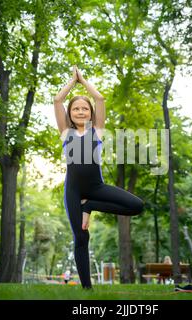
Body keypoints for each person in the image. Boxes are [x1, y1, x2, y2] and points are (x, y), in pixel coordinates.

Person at [54, 66, 145, 289]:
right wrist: (71, 81)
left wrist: (83, 80)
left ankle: (90, 206)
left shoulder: (97, 131)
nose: (81, 111)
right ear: (70, 113)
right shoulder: (66, 132)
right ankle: (87, 288)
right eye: (76, 109)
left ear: (91, 113)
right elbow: (57, 101)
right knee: (81, 238)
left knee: (137, 205)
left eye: (85, 108)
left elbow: (100, 98)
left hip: (96, 188)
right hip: (73, 191)